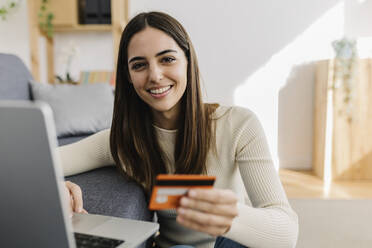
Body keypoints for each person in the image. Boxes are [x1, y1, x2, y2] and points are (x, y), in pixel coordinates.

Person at [60, 11, 298, 248]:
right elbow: (42, 162)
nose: (155, 75)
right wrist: (59, 186)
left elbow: (286, 233)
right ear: (129, 76)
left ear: (188, 61)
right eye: (140, 65)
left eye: (167, 59)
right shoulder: (124, 141)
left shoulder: (238, 125)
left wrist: (227, 216)